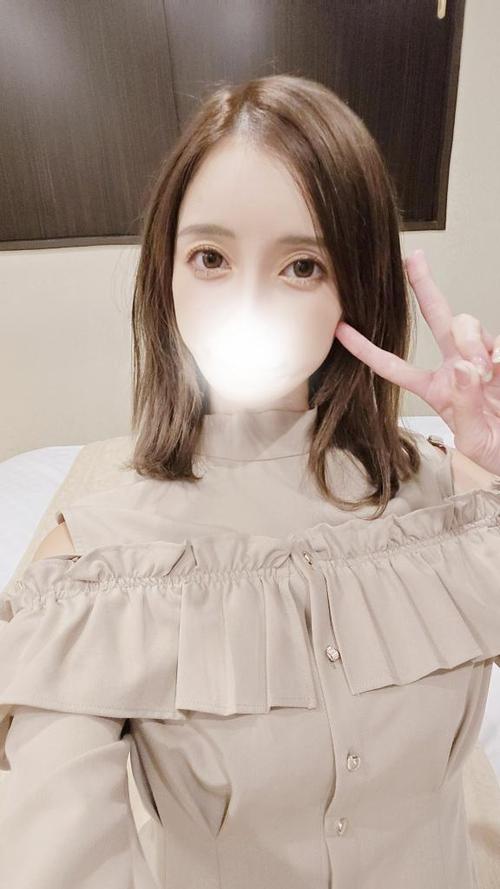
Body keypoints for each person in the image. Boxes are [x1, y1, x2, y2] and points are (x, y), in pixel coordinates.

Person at [1, 72, 500, 889]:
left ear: (356, 285)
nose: (250, 302)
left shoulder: (447, 498)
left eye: (302, 265)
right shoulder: (93, 566)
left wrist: (490, 474)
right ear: (166, 279)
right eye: (211, 258)